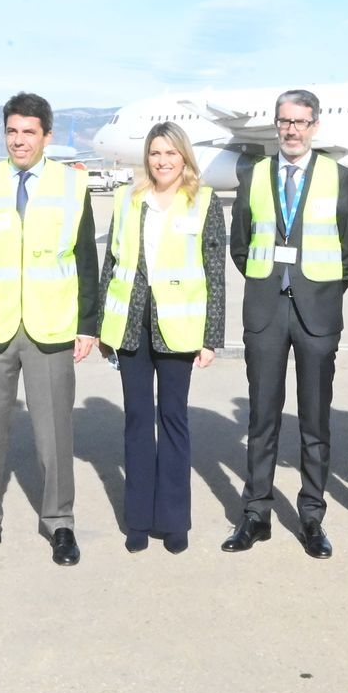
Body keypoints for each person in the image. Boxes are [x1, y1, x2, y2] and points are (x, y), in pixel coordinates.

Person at [0, 92, 99, 566]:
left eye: (29, 131)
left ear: (46, 137)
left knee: (55, 433)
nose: (19, 140)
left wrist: (87, 324)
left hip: (50, 326)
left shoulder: (73, 186)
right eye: (12, 131)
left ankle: (59, 523)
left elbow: (86, 260)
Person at [223, 89, 348, 559]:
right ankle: (256, 512)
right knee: (261, 418)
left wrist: (319, 288)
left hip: (316, 313)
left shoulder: (337, 177)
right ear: (276, 124)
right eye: (285, 121)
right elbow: (240, 243)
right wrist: (267, 282)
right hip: (266, 310)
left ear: (315, 126)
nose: (292, 130)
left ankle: (311, 516)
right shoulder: (256, 175)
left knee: (314, 420)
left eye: (301, 122)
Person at [98, 121, 226, 555]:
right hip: (131, 327)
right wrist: (104, 327)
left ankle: (173, 519)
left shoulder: (203, 201)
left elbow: (214, 273)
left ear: (184, 157)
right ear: (146, 157)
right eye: (155, 153)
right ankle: (138, 518)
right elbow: (112, 263)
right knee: (137, 422)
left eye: (170, 153)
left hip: (179, 330)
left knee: (173, 421)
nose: (162, 161)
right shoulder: (128, 199)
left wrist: (212, 336)